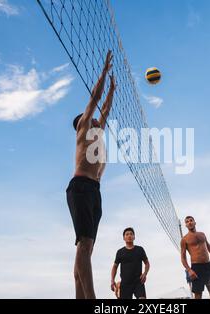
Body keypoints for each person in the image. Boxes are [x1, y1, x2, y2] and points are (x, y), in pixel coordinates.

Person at [67, 50, 117, 299]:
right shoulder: (84, 129)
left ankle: (79, 295)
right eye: (92, 119)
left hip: (95, 190)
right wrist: (104, 73)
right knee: (85, 244)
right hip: (80, 187)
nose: (98, 120)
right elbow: (94, 100)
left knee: (87, 247)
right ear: (82, 124)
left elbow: (105, 107)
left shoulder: (97, 133)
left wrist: (112, 89)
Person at [180, 216, 210, 299]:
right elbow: (183, 257)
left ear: (195, 222)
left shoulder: (202, 235)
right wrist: (189, 270)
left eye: (191, 220)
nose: (189, 222)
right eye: (187, 222)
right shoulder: (184, 239)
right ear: (186, 225)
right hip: (196, 268)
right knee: (198, 295)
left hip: (208, 266)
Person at [111, 228, 150, 299]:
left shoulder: (140, 249)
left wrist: (145, 273)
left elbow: (147, 263)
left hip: (138, 282)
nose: (129, 236)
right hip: (125, 284)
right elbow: (115, 267)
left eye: (131, 234)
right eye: (127, 234)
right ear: (124, 238)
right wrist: (112, 280)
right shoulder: (120, 252)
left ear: (134, 237)